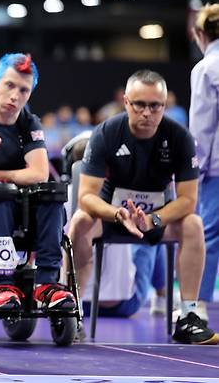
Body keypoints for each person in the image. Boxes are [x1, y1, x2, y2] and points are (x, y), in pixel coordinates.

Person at [68, 69, 218, 344]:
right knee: (79, 222)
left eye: (155, 106)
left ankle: (188, 317)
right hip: (112, 216)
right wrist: (117, 213)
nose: (147, 113)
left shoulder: (180, 138)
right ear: (126, 102)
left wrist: (153, 220)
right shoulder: (106, 133)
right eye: (139, 104)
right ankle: (69, 312)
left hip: (155, 218)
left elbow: (188, 200)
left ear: (164, 105)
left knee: (193, 224)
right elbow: (86, 197)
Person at [0, 53, 75, 312]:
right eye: (9, 85)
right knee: (0, 192)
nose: (15, 96)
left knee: (52, 192)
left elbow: (39, 173)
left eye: (24, 90)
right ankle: (2, 283)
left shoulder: (28, 122)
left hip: (17, 199)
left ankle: (47, 284)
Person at [190, 2, 219, 320]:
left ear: (200, 34)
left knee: (207, 234)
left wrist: (193, 174)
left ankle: (195, 306)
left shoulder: (207, 68)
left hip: (216, 170)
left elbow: (202, 128)